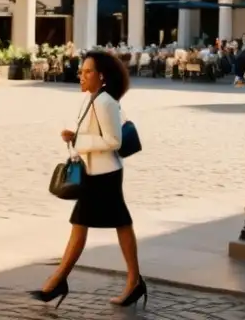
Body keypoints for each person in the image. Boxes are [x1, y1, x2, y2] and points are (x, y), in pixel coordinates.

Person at [32, 50, 146, 309]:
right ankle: (129, 281)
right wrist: (73, 134)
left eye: (87, 72)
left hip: (105, 175)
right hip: (93, 172)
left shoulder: (106, 102)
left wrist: (80, 140)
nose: (81, 76)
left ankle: (59, 280)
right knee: (95, 224)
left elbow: (113, 141)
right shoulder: (89, 99)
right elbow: (91, 133)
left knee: (108, 224)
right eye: (81, 72)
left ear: (102, 76)